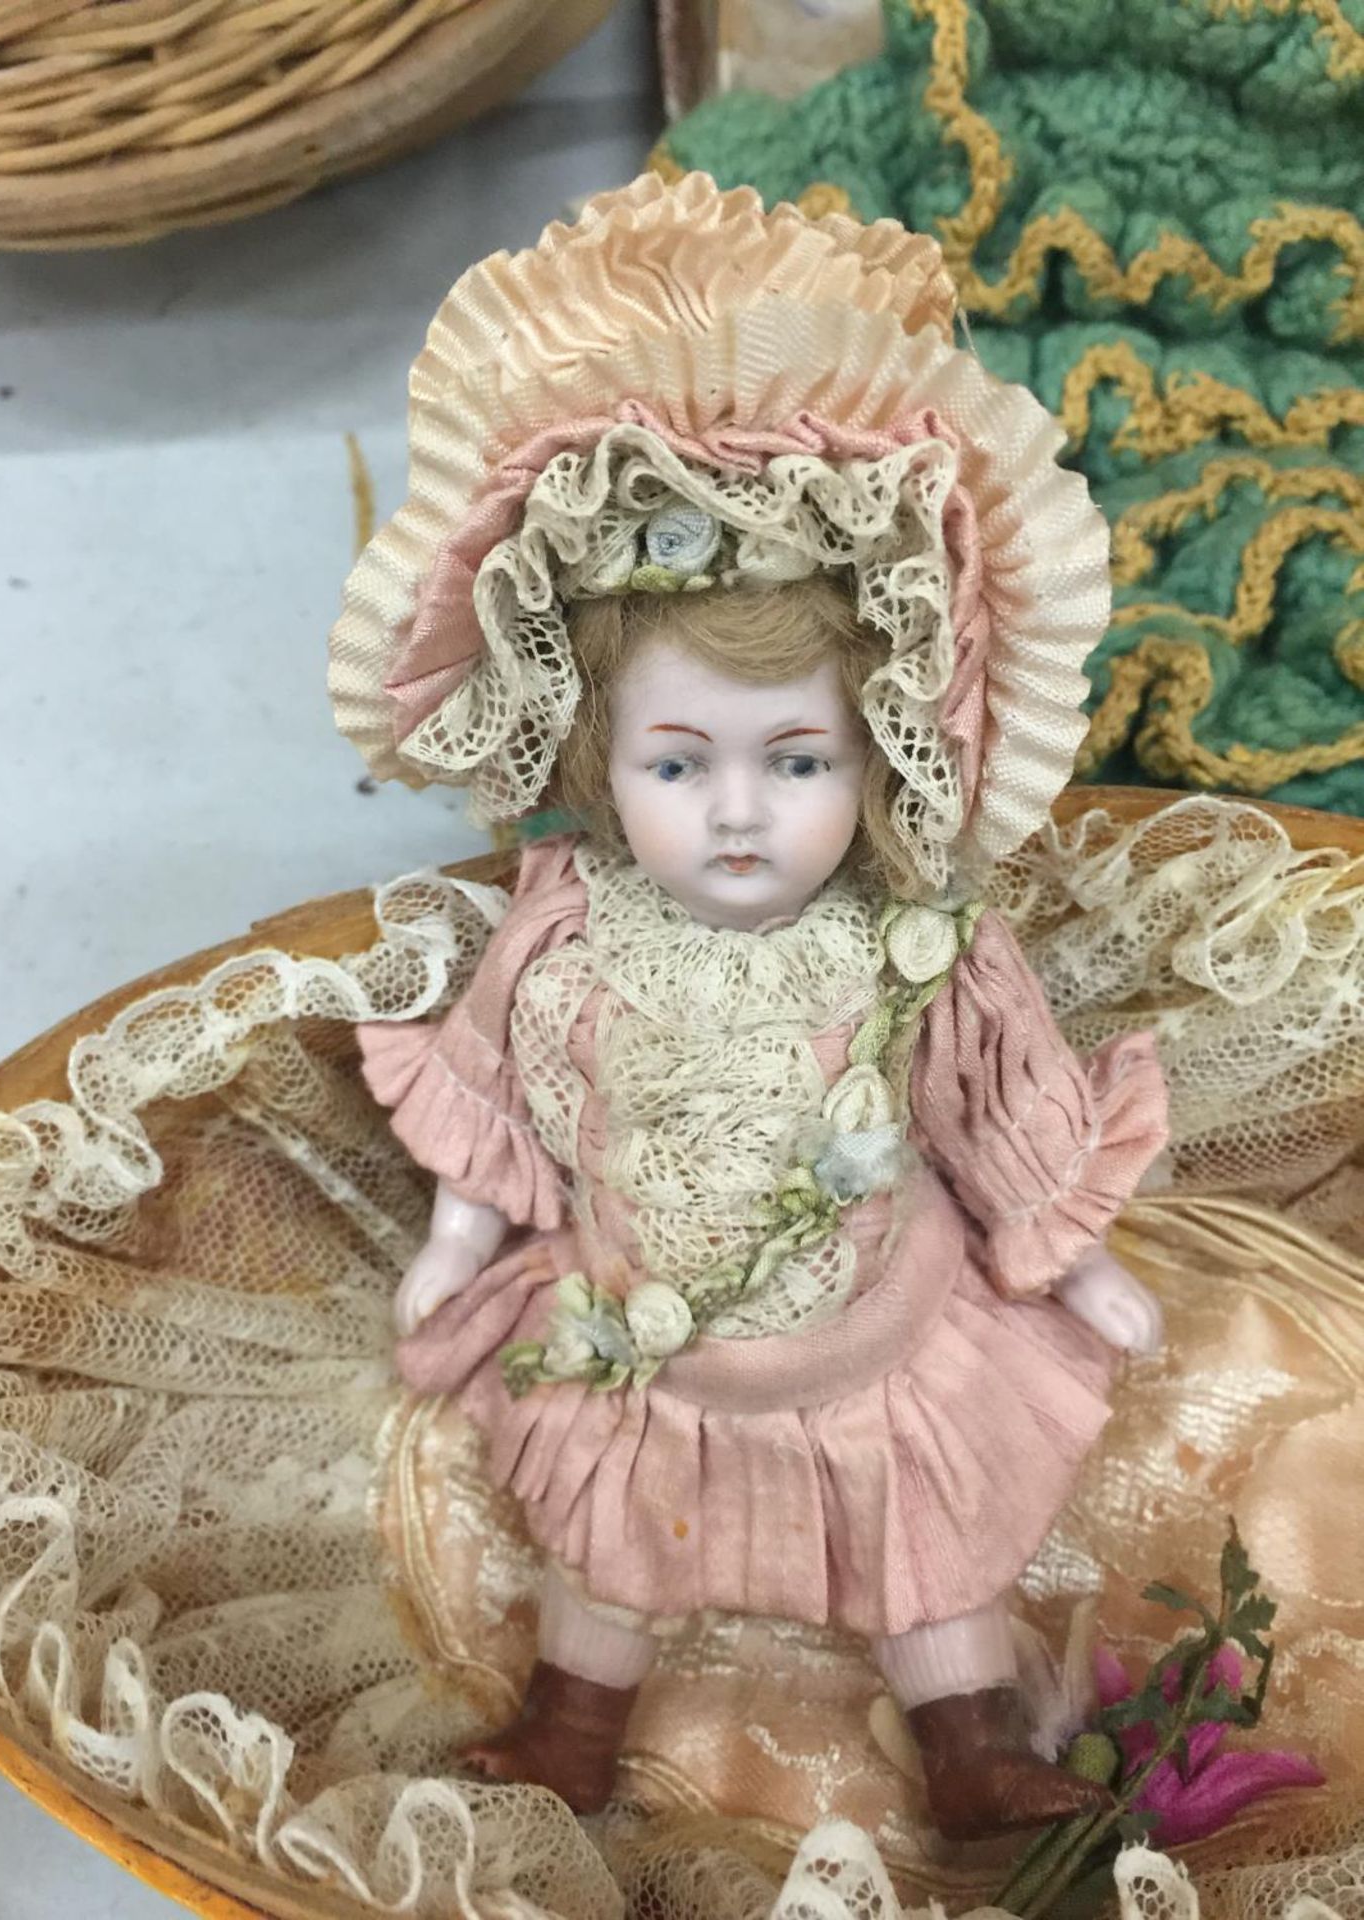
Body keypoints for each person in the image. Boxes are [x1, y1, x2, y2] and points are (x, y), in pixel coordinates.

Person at [329, 173, 1169, 1840]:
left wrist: (1071, 1252)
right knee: (611, 1542)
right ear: (595, 760)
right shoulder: (568, 924)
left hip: (882, 1340)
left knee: (932, 1539)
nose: (736, 815)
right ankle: (578, 1718)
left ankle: (973, 1726)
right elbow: (506, 1087)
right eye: (676, 763)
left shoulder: (905, 938)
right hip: (656, 1343)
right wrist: (461, 1239)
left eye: (797, 764)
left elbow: (988, 1103)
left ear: (882, 754)